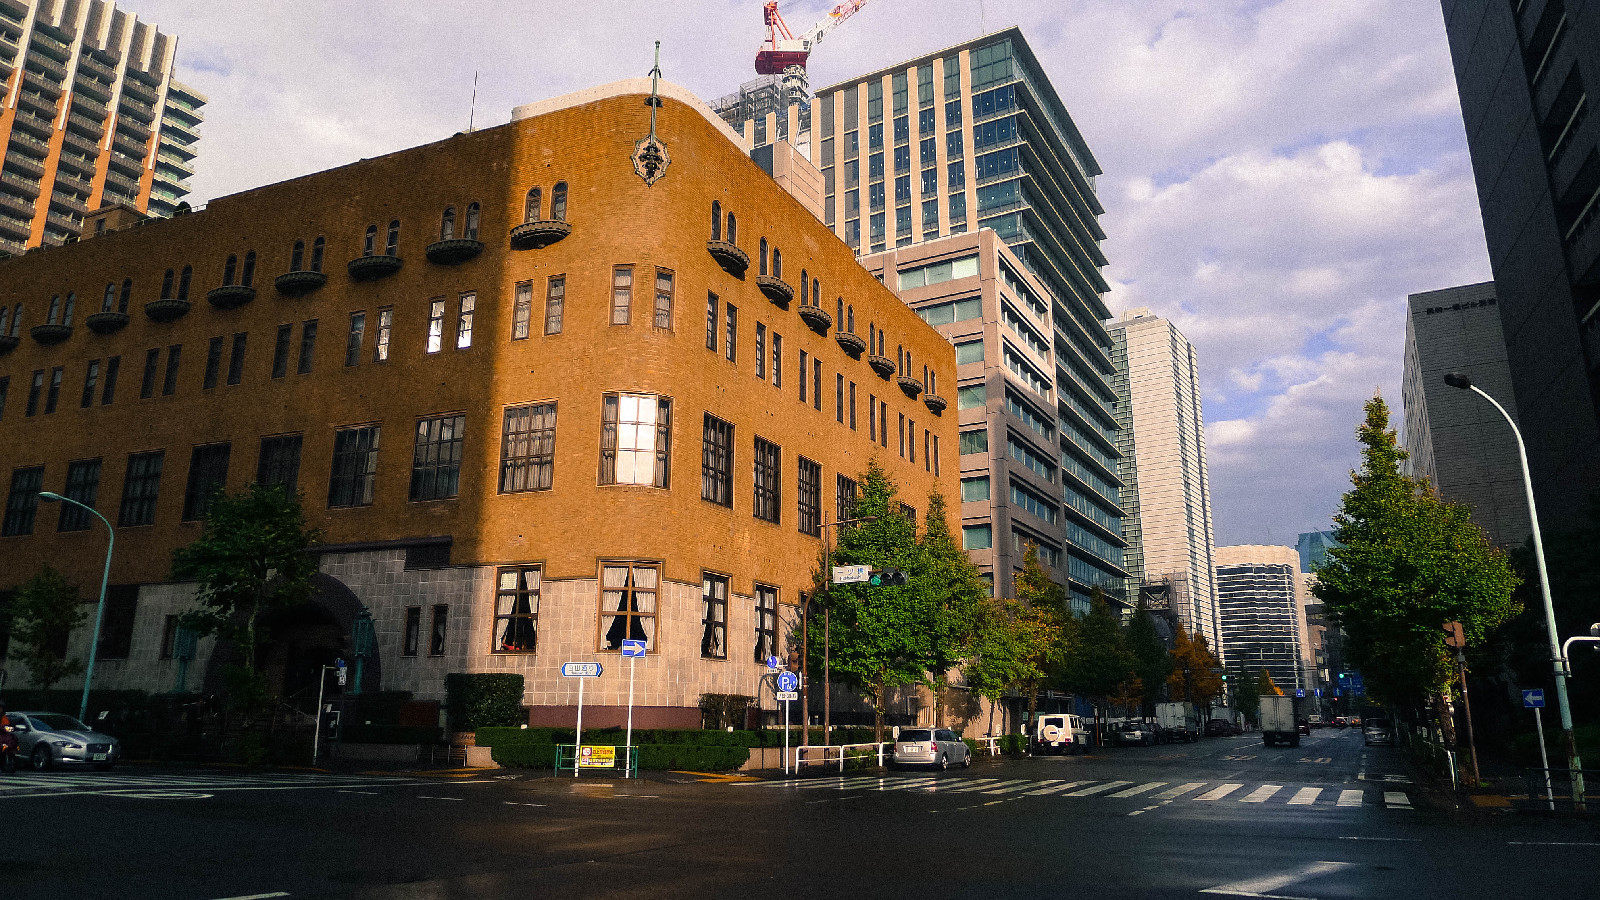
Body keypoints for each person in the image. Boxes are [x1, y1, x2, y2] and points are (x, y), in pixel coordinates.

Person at [0, 698, 17, 774]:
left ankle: (10, 763)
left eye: (1, 708)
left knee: (12, 745)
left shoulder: (5, 718)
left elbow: (10, 728)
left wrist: (9, 729)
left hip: (6, 738)